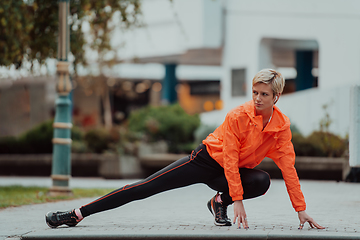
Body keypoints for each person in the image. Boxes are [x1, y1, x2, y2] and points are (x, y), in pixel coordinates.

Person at [45, 69, 324, 230]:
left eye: (265, 94)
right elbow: (228, 157)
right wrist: (237, 199)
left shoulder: (280, 128)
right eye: (255, 92)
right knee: (145, 188)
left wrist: (301, 210)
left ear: (276, 97)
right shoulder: (239, 115)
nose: (258, 99)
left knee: (262, 181)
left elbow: (289, 168)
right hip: (204, 160)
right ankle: (78, 213)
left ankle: (218, 202)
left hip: (230, 172)